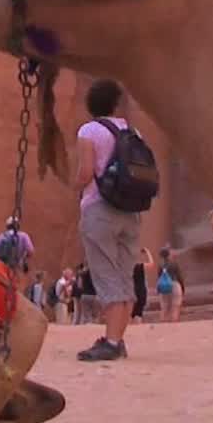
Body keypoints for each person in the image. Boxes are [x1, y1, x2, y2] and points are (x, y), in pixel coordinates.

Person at [73, 79, 142, 361]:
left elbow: (87, 172)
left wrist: (75, 185)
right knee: (125, 276)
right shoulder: (132, 131)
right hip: (130, 210)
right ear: (115, 104)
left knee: (105, 274)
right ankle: (118, 339)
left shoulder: (89, 130)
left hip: (100, 208)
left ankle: (112, 343)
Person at [0, 216, 34, 290]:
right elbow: (30, 251)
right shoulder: (24, 236)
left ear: (7, 226)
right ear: (18, 226)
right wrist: (23, 260)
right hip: (14, 269)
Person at [154, 245, 185, 323]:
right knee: (175, 307)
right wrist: (182, 288)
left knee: (164, 308)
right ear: (169, 254)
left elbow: (159, 278)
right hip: (175, 284)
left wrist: (158, 289)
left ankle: (163, 325)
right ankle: (173, 325)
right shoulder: (174, 264)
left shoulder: (160, 265)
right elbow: (179, 276)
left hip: (164, 287)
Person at [131, 246, 152, 322]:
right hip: (141, 291)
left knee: (131, 312)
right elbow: (151, 264)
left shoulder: (127, 267)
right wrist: (148, 252)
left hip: (131, 291)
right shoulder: (139, 266)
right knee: (139, 312)